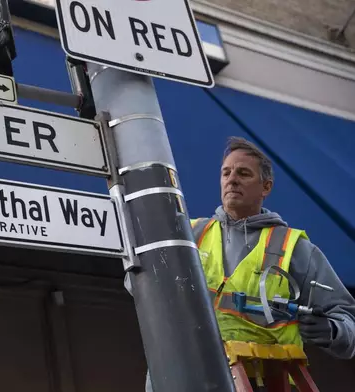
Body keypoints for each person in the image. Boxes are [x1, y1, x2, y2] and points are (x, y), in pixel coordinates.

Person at [143, 136, 355, 391]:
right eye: (226, 173)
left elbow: (346, 317)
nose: (232, 179)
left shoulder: (295, 249)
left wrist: (332, 330)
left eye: (243, 173)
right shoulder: (188, 235)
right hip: (186, 377)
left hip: (263, 382)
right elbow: (141, 284)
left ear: (266, 187)